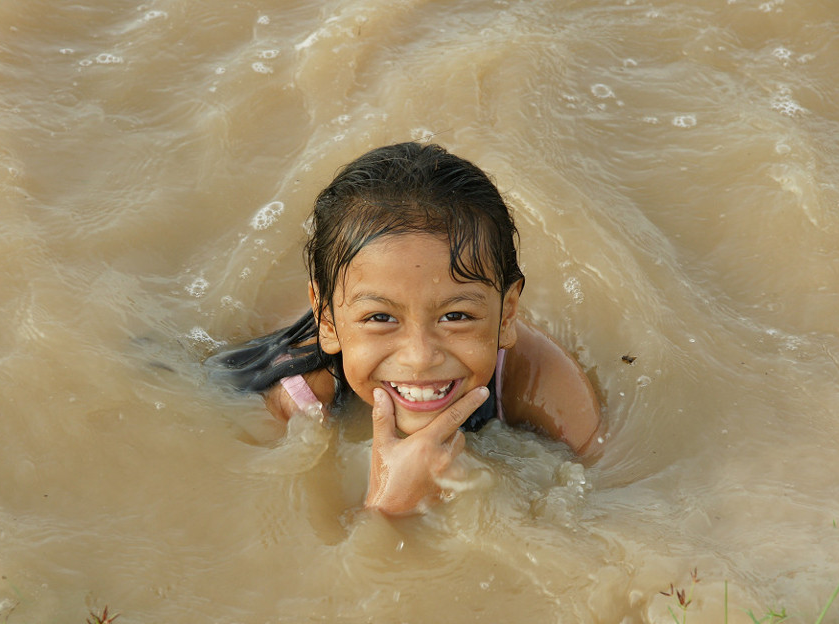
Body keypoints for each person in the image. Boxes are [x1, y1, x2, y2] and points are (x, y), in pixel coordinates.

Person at [207, 142, 602, 515]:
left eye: (456, 316)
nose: (419, 356)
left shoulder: (539, 379)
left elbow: (603, 493)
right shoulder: (301, 401)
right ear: (327, 320)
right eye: (381, 318)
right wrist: (390, 505)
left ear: (507, 314)